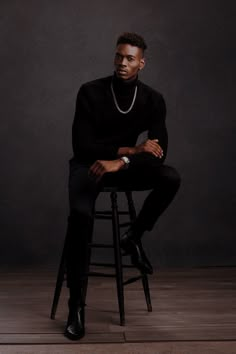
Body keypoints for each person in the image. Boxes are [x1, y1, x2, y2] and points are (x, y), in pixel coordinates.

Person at [64, 32, 181, 340]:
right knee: (80, 217)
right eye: (119, 56)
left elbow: (158, 153)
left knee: (170, 177)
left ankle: (133, 236)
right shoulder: (90, 91)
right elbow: (82, 146)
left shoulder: (153, 99)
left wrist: (122, 163)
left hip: (120, 168)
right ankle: (75, 304)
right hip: (87, 166)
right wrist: (129, 151)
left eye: (130, 58)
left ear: (142, 63)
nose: (122, 63)